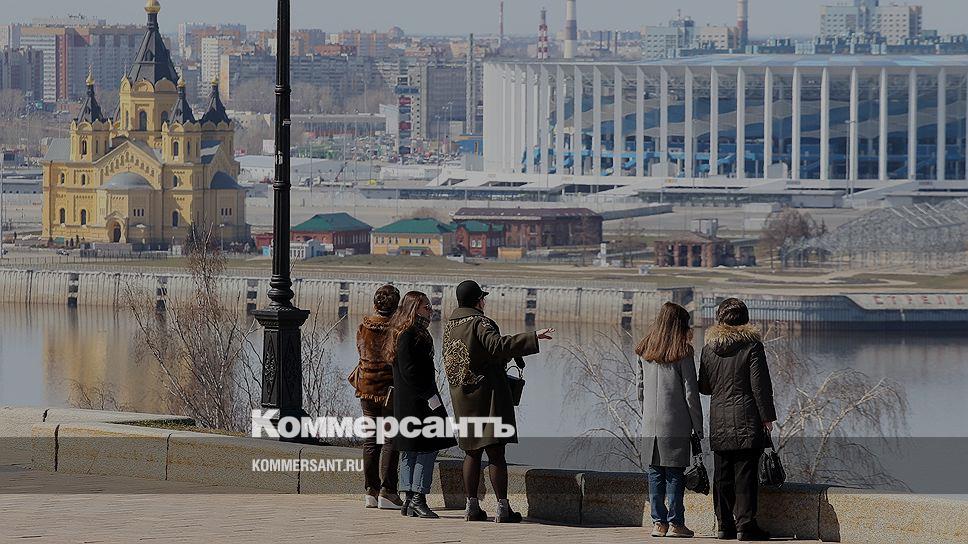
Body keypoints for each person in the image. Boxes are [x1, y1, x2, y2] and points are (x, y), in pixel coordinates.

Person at [442, 280, 554, 523]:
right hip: (488, 396)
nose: (484, 302)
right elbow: (498, 345)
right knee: (495, 452)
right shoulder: (480, 323)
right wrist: (533, 337)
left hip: (463, 396)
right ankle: (503, 508)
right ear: (477, 301)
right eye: (483, 298)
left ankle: (472, 507)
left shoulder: (450, 326)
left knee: (471, 453)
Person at [698, 298, 777, 542]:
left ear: (719, 319)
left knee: (722, 475)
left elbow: (705, 387)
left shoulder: (708, 349)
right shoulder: (752, 347)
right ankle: (745, 526)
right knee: (745, 474)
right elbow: (760, 386)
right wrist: (767, 417)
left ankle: (724, 525)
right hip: (747, 418)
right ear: (746, 319)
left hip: (719, 419)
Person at [385, 291, 457, 519]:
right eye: (426, 306)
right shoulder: (410, 334)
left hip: (408, 403)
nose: (430, 310)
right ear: (414, 308)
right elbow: (411, 372)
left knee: (411, 451)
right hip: (419, 403)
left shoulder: (404, 332)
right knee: (426, 449)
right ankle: (417, 498)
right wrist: (431, 397)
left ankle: (408, 500)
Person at [637, 302, 704, 538]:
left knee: (655, 472)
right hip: (676, 423)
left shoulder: (644, 349)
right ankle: (676, 523)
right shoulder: (683, 352)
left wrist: (646, 415)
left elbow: (640, 389)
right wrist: (698, 427)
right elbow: (690, 394)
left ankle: (658, 523)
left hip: (650, 423)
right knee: (675, 473)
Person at [352, 284, 403, 510]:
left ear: (375, 304)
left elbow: (361, 352)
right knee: (390, 440)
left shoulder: (363, 327)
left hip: (366, 388)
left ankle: (370, 491)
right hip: (390, 391)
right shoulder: (398, 330)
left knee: (371, 441)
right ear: (397, 306)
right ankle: (388, 491)